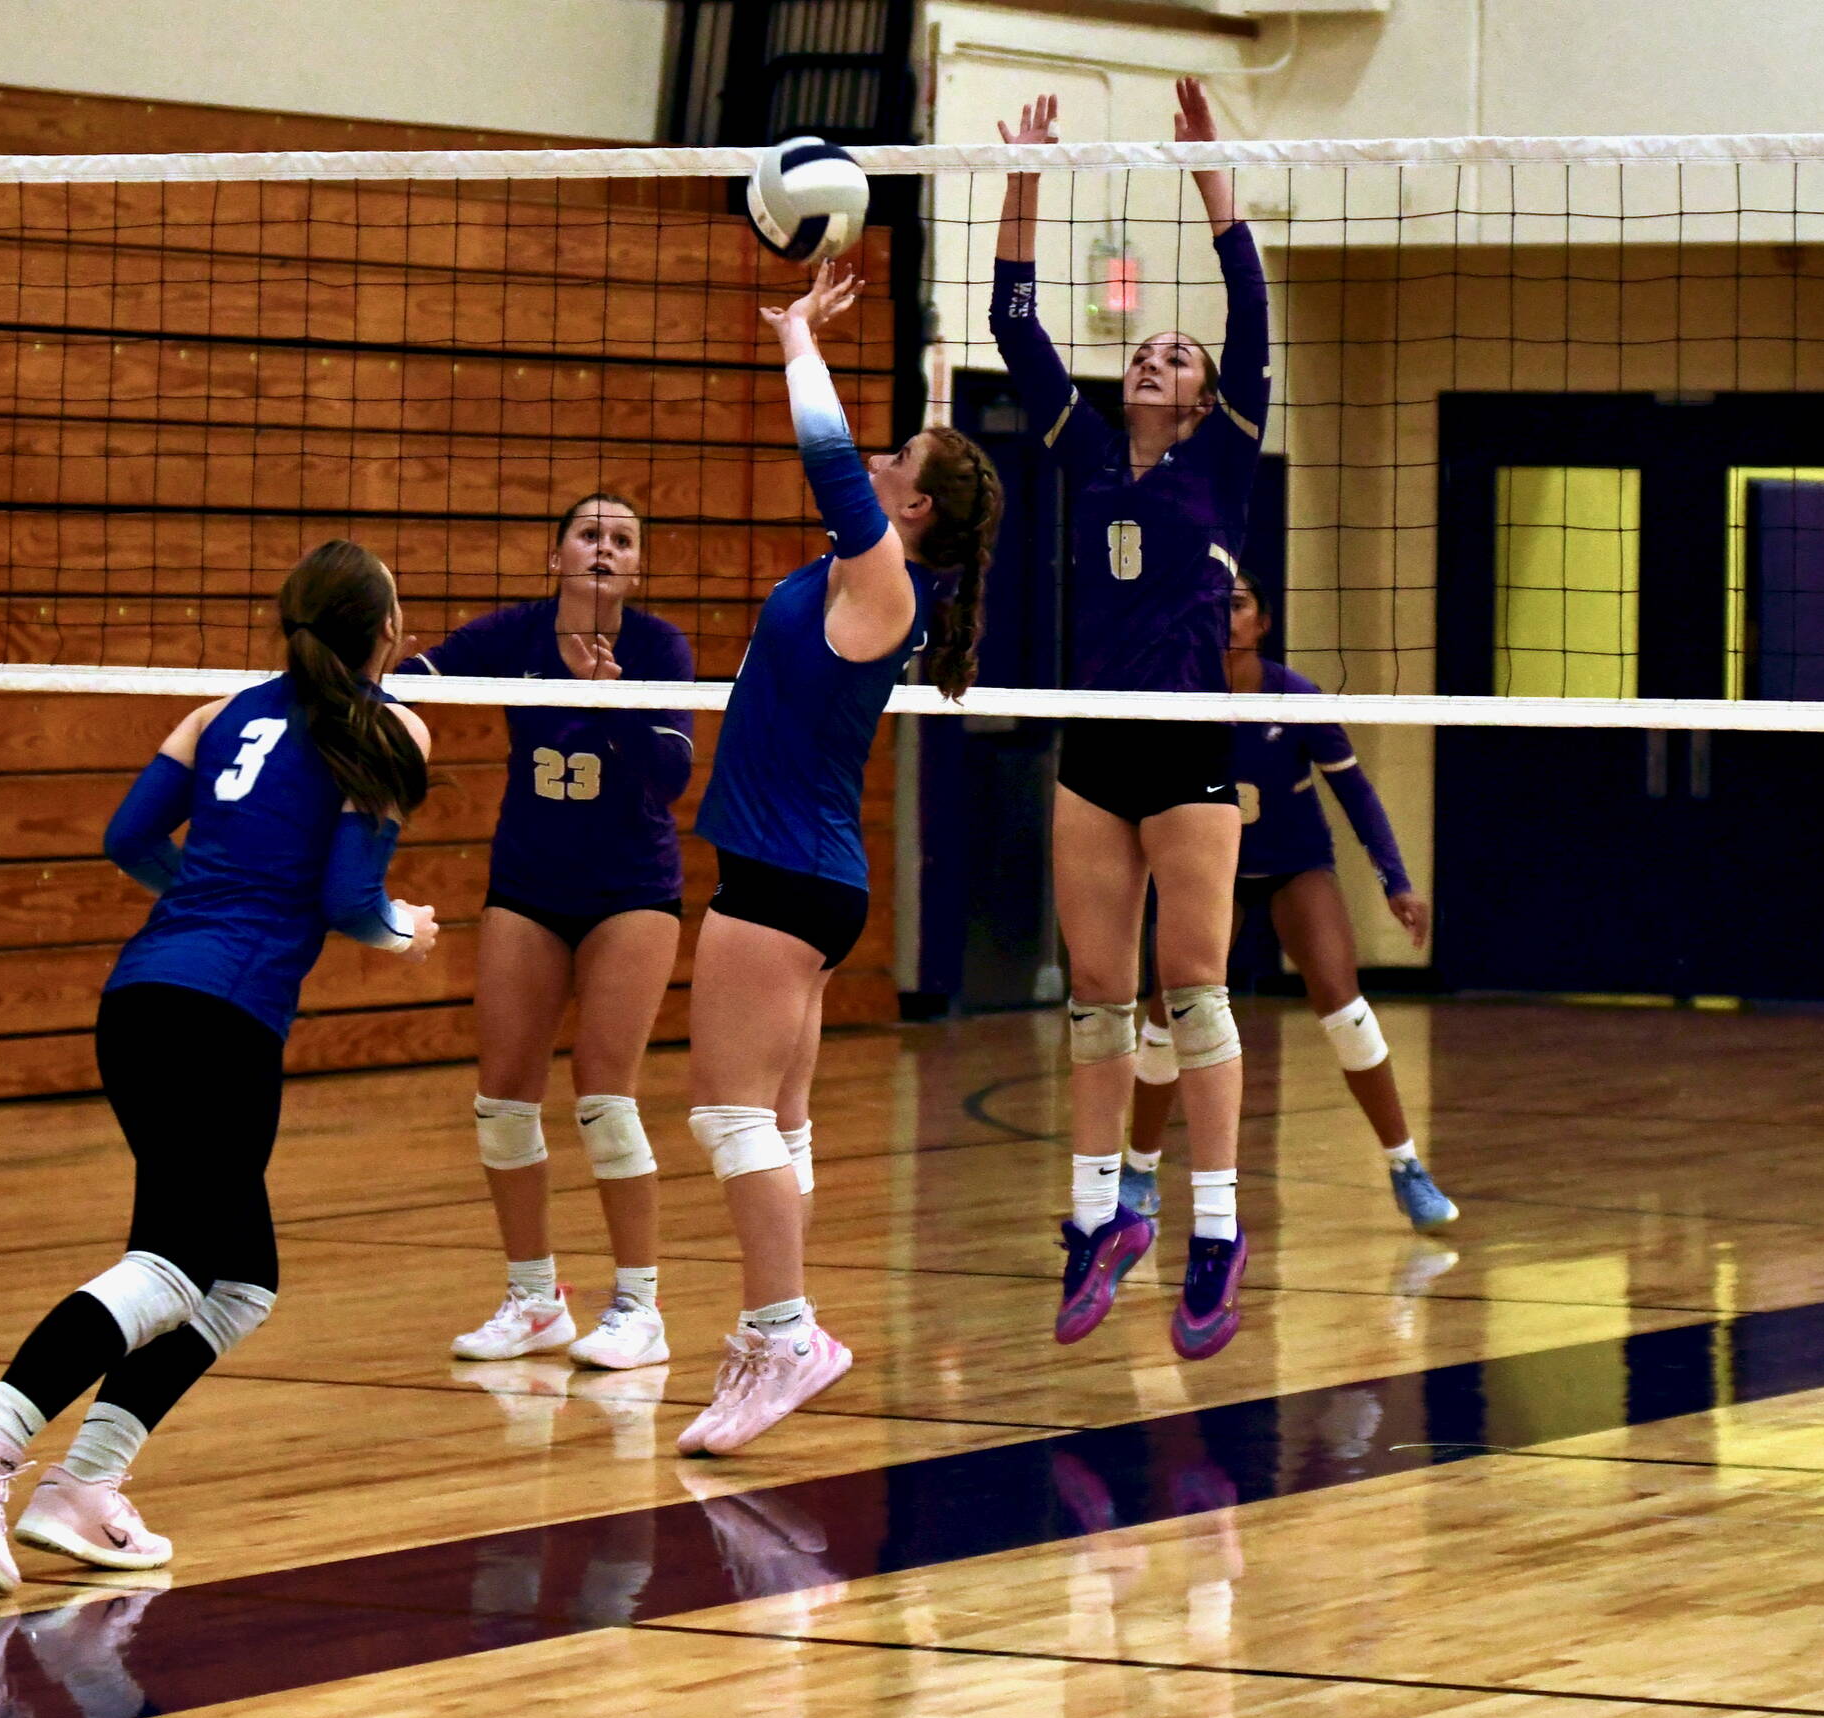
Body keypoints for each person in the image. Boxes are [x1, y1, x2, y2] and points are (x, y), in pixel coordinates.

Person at [0, 541, 438, 1595]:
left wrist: (215, 894)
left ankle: (83, 1485)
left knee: (239, 1279)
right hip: (222, 1020)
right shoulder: (390, 727)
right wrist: (399, 929)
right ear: (382, 632)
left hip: (142, 1001)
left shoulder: (219, 709)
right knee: (178, 1264)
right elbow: (345, 899)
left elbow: (128, 835)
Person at [677, 261, 1003, 1455]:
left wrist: (794, 342)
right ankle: (774, 1333)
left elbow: (823, 454)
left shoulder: (883, 582)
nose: (873, 463)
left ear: (910, 511)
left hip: (781, 875)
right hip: (804, 872)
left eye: (894, 465)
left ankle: (784, 1332)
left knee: (727, 1117)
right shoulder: (861, 576)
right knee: (780, 1121)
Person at [990, 80, 1267, 1362]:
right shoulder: (1082, 453)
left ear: (1205, 399)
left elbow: (1250, 317)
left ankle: (1213, 1229)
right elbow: (1011, 318)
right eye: (1147, 349)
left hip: (1188, 746)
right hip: (1093, 744)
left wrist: (1213, 180)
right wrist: (1023, 177)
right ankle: (1099, 1218)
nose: (1155, 356)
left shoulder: (1219, 461)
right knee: (1097, 993)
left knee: (1191, 987)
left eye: (1178, 358)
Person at [401, 496, 695, 1371]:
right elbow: (424, 675)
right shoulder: (515, 633)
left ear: (635, 567)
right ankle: (534, 1300)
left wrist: (614, 704)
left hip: (631, 891)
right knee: (502, 1101)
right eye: (589, 534)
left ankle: (639, 1308)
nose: (604, 548)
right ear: (556, 554)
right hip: (528, 886)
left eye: (623, 540)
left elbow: (673, 776)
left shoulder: (659, 647)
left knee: (604, 1096)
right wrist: (359, 671)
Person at [1125, 569, 1458, 1232]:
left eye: (1239, 605)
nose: (1226, 617)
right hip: (1211, 870)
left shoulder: (1296, 698)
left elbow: (1356, 795)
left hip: (1295, 865)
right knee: (1169, 1012)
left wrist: (1395, 880)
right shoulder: (1182, 698)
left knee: (1343, 1003)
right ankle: (1138, 1170)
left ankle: (1406, 1167)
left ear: (1263, 622)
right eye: (1215, 605)